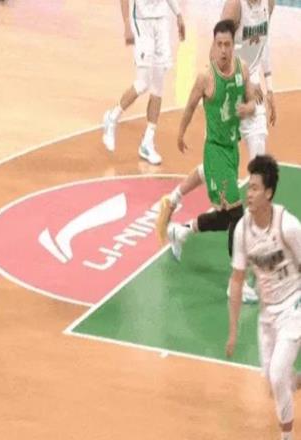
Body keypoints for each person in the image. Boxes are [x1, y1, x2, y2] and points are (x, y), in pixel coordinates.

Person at [157, 0, 276, 270]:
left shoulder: (243, 67)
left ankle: (181, 228)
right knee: (237, 211)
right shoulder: (208, 75)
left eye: (227, 44)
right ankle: (240, 273)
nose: (223, 48)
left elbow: (263, 46)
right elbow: (190, 105)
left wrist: (260, 94)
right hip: (217, 144)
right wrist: (181, 132)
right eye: (219, 44)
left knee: (226, 214)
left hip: (232, 144)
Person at [226, 155, 301, 440]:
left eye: (255, 188)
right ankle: (297, 380)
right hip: (267, 313)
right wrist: (233, 331)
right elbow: (237, 280)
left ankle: (287, 437)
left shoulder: (288, 226)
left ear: (268, 193)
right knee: (274, 382)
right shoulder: (242, 230)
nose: (249, 193)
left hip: (294, 305)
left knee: (278, 374)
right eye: (249, 187)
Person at [102, 0, 185, 165]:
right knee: (143, 83)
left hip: (161, 23)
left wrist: (178, 14)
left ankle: (148, 142)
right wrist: (127, 25)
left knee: (158, 86)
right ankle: (112, 117)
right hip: (142, 23)